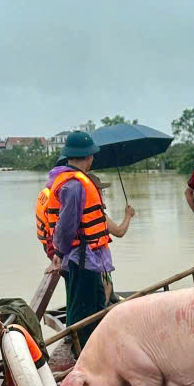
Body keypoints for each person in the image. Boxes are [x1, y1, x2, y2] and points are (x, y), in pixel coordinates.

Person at [45, 131, 119, 350]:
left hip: (88, 257)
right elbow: (67, 225)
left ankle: (95, 351)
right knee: (83, 311)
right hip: (82, 258)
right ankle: (85, 356)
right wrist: (58, 254)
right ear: (89, 157)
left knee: (96, 303)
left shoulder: (72, 181)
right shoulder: (75, 185)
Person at [87, 171, 134, 303]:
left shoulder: (86, 211)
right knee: (105, 292)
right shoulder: (96, 213)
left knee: (106, 291)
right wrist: (128, 215)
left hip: (92, 261)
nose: (102, 194)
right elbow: (119, 232)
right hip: (98, 262)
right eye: (100, 191)